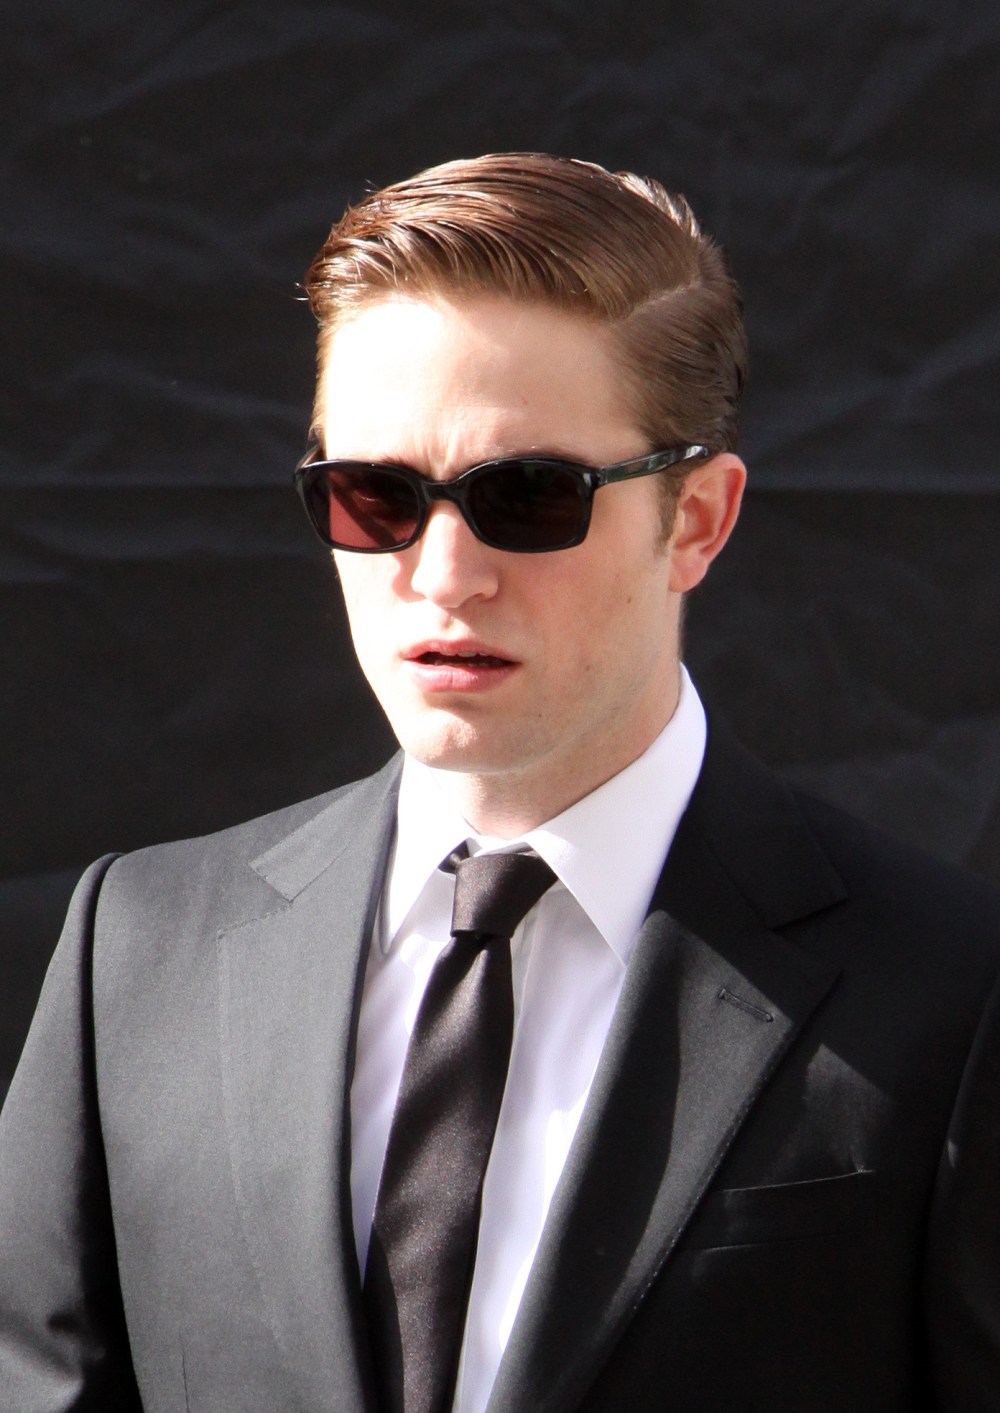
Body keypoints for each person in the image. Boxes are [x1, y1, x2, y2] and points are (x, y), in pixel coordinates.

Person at [1, 152, 999, 1413]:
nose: (442, 575)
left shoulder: (953, 990)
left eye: (527, 497)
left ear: (696, 519)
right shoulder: (138, 955)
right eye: (375, 496)